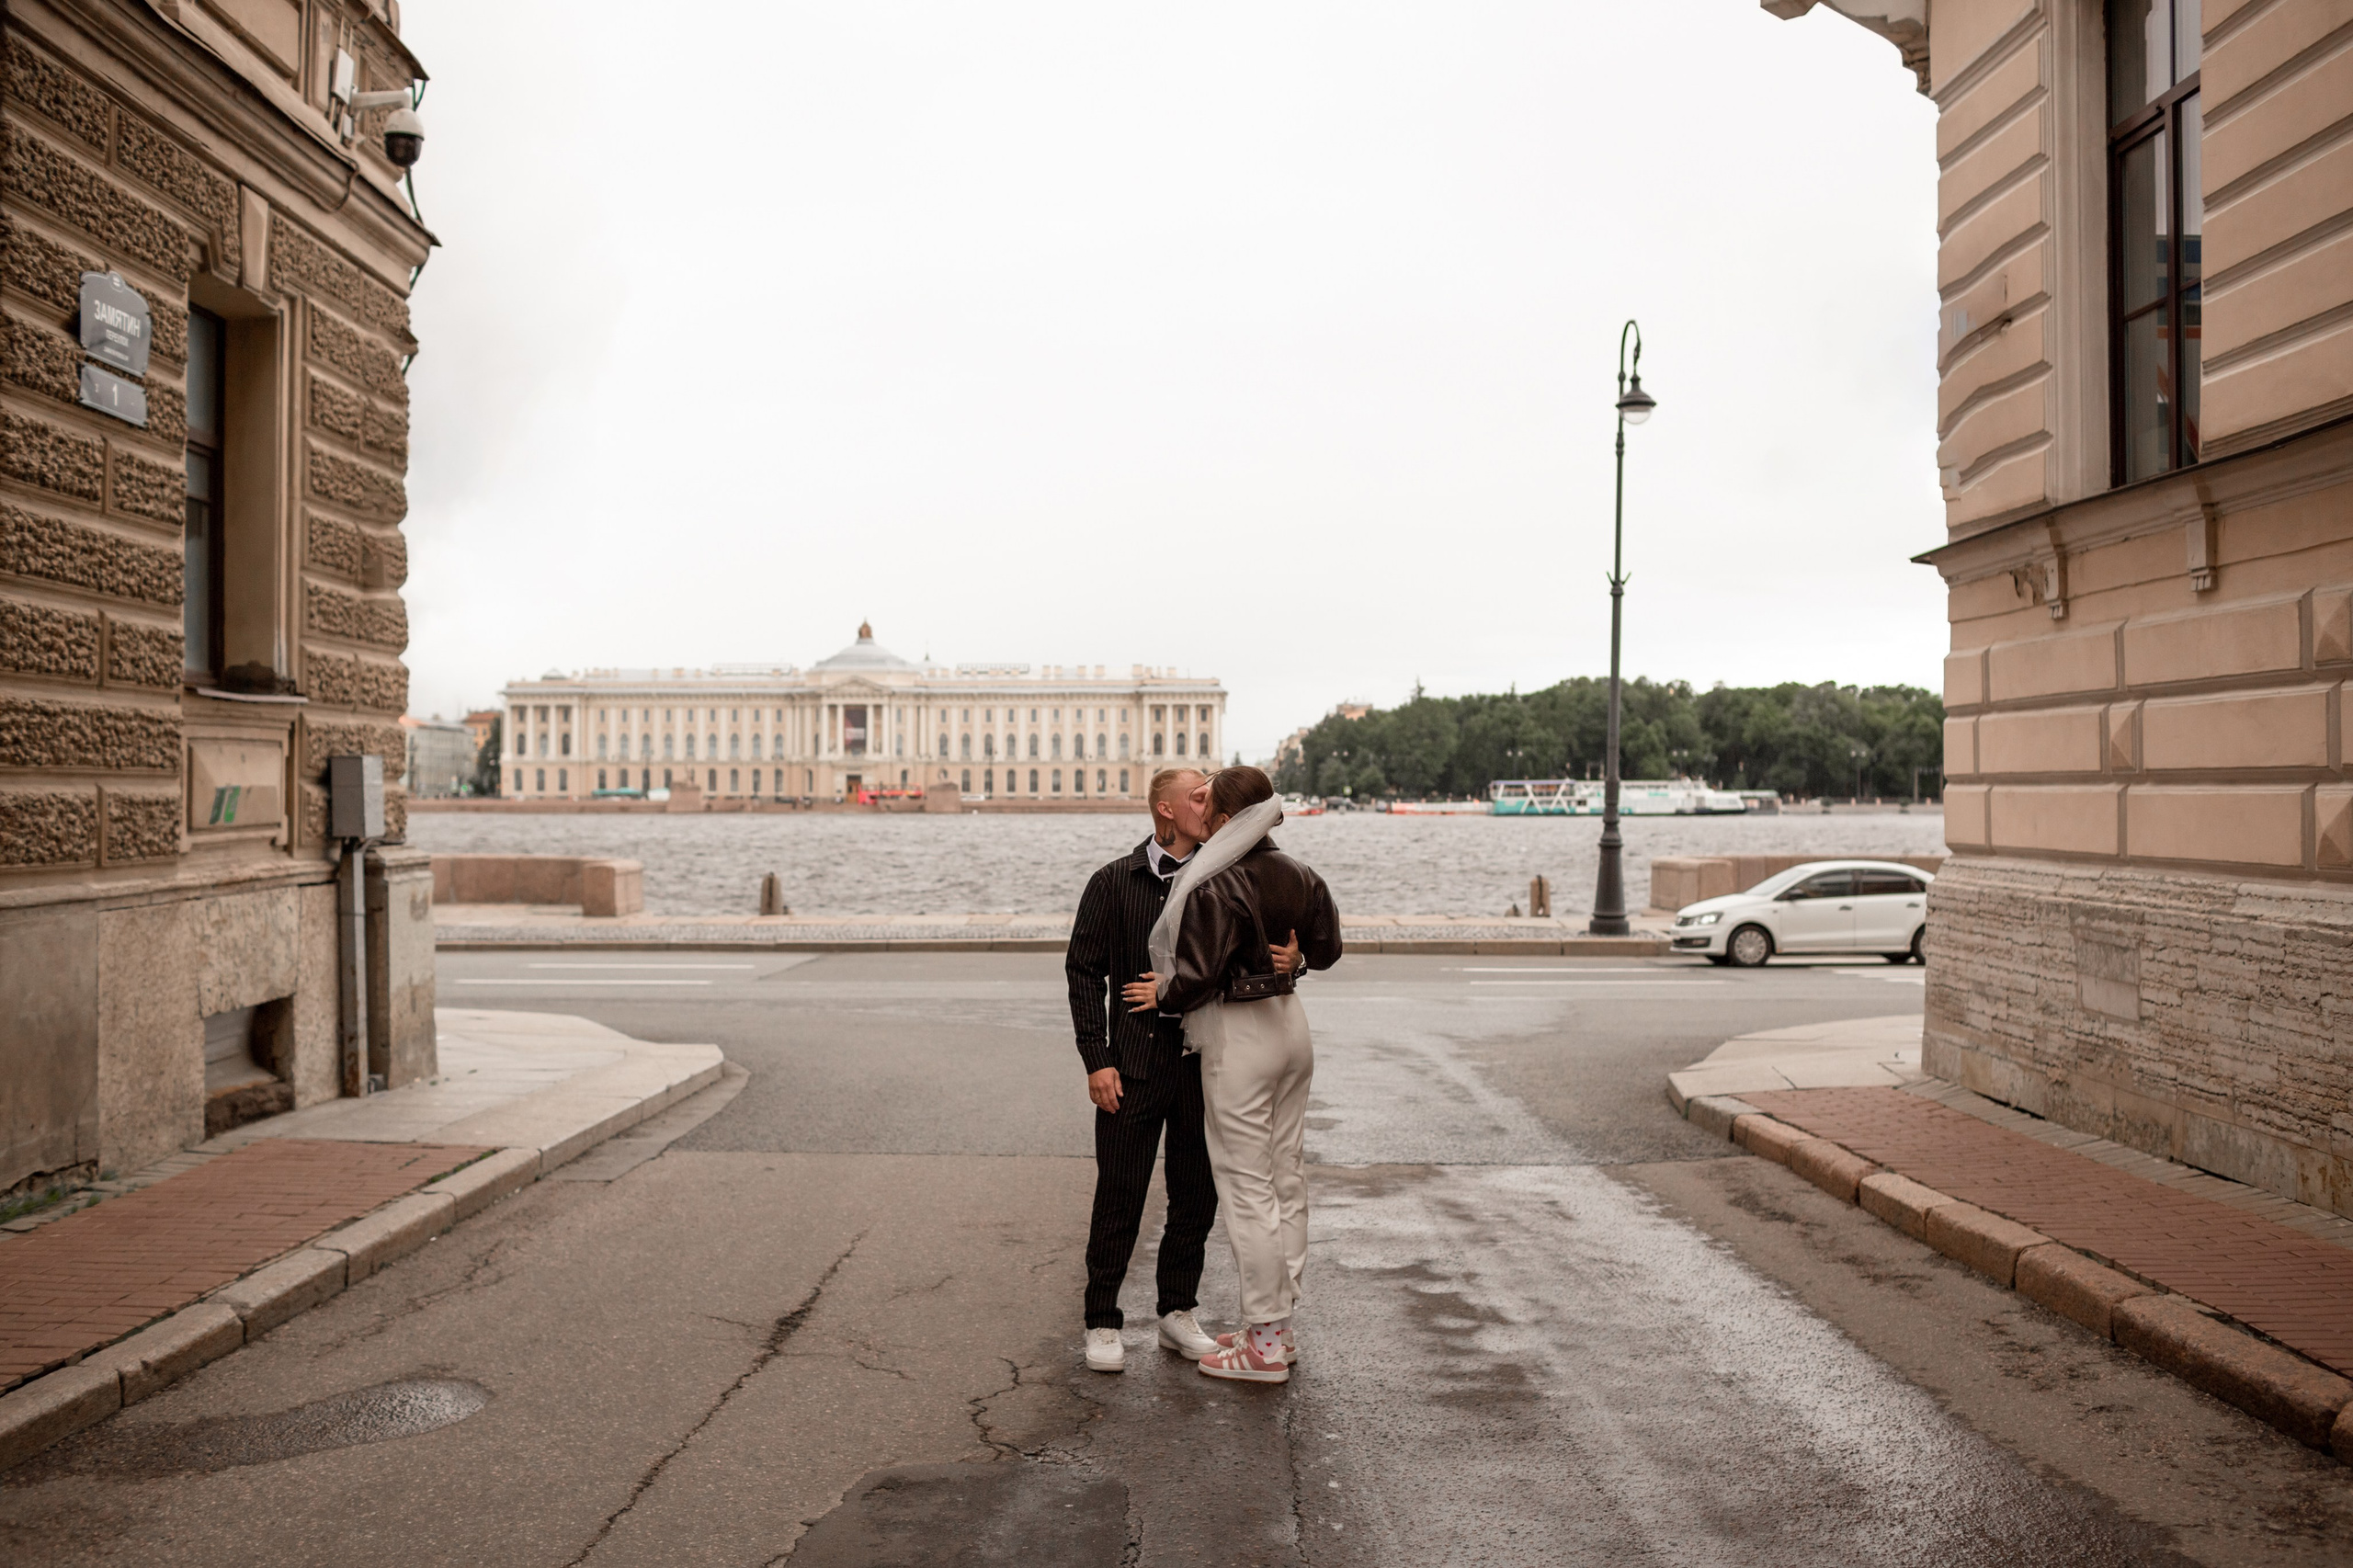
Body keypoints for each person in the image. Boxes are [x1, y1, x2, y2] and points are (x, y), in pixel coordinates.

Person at [1066, 767, 1301, 1373]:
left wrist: (1294, 961)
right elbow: (1084, 972)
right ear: (1166, 810)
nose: (1210, 803)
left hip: (1208, 1063)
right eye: (1197, 794)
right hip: (1134, 1066)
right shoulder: (1114, 881)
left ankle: (1177, 1312)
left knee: (1196, 1199)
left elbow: (1263, 956)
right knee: (1119, 1195)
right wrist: (1097, 1058)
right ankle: (1102, 1320)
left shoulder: (1230, 874)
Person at [1146, 766, 1342, 1384]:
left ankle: (1260, 1343)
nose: (1198, 813)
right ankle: (1277, 1332)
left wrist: (1163, 992)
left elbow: (1197, 979)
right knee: (1286, 1176)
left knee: (1246, 1186)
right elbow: (1328, 949)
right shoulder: (1302, 874)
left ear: (1229, 820)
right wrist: (1300, 958)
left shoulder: (1214, 881)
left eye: (1207, 806)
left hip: (1241, 1035)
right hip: (1292, 1029)